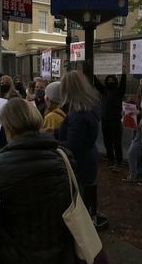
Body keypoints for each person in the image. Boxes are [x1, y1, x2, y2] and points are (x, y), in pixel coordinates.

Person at [0, 98, 76, 264]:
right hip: (62, 252)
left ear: (9, 127)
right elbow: (75, 198)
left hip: (16, 253)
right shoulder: (64, 157)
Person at [59, 71, 100, 207]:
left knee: (79, 205)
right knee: (86, 202)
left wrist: (52, 143)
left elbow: (73, 144)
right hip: (88, 160)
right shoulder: (88, 108)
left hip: (79, 165)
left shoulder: (78, 114)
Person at [94, 68, 127, 171]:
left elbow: (123, 84)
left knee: (117, 142)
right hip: (105, 120)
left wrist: (124, 73)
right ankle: (111, 160)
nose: (110, 82)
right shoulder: (104, 90)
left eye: (112, 80)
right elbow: (97, 84)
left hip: (116, 120)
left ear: (115, 81)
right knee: (107, 141)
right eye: (109, 80)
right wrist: (93, 73)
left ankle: (119, 161)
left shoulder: (119, 91)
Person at [123, 77, 142, 183]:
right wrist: (126, 115)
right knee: (132, 152)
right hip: (138, 129)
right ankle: (134, 174)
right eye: (141, 84)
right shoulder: (138, 100)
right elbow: (134, 111)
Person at [0, 75, 21, 151]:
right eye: (2, 83)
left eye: (6, 83)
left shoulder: (14, 96)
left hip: (9, 126)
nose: (3, 85)